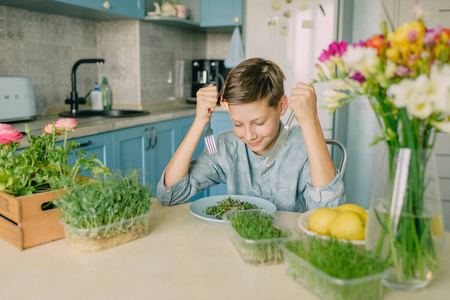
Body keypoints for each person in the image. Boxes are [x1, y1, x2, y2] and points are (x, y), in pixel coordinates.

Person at [157, 57, 345, 212]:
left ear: (281, 106)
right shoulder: (227, 146)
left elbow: (329, 211)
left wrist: (311, 121)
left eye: (259, 123)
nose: (248, 135)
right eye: (238, 123)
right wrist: (199, 121)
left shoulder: (303, 144)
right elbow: (170, 194)